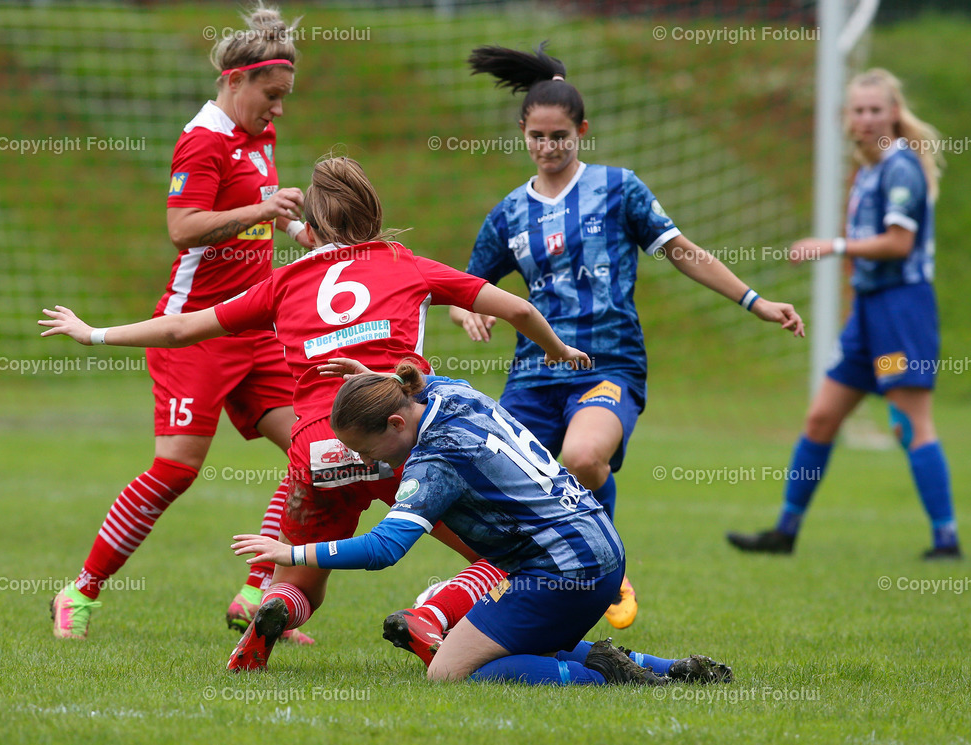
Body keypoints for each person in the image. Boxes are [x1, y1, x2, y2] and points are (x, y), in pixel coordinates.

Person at [40, 154, 592, 671]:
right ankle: (433, 615)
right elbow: (518, 307)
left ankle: (275, 607)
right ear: (375, 212)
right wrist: (557, 351)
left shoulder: (285, 280)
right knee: (504, 557)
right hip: (399, 436)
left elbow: (184, 327)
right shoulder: (405, 264)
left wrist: (94, 333)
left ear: (316, 225)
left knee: (302, 580)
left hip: (318, 444)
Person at [448, 44, 806, 628]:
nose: (548, 147)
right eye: (537, 136)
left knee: (584, 457)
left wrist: (754, 301)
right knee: (492, 492)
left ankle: (609, 566)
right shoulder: (509, 213)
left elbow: (684, 253)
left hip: (608, 363)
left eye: (560, 136)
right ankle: (515, 598)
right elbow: (465, 286)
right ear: (522, 132)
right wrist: (467, 313)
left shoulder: (619, 190)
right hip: (534, 375)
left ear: (582, 131)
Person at [45, 3, 320, 642]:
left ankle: (255, 593)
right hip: (194, 331)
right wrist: (261, 205)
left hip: (254, 327)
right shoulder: (201, 140)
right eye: (271, 96)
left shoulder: (258, 136)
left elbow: (257, 210)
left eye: (284, 98)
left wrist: (297, 228)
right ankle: (79, 593)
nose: (278, 109)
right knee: (176, 470)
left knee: (314, 452)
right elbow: (182, 228)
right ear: (236, 81)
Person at [231, 360, 734, 686]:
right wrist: (368, 379)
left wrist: (290, 553)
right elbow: (408, 389)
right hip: (592, 545)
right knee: (513, 642)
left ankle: (608, 675)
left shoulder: (434, 463)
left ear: (397, 424)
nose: (367, 460)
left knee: (449, 670)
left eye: (366, 449)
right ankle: (667, 669)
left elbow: (383, 550)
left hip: (563, 571)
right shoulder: (452, 394)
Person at [727, 69, 961, 559]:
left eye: (876, 109)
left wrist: (829, 246)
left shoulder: (900, 167)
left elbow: (899, 244)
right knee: (820, 419)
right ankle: (785, 533)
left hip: (902, 312)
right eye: (858, 109)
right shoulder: (867, 169)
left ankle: (946, 540)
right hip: (871, 317)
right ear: (846, 118)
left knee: (908, 422)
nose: (867, 117)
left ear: (894, 114)